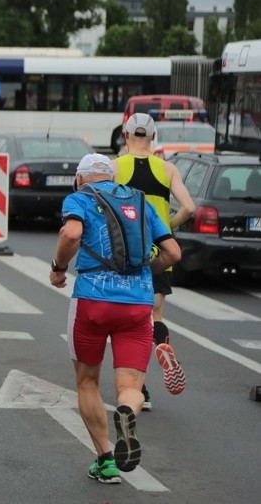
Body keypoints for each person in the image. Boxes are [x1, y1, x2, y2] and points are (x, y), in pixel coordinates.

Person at [49, 153, 181, 484]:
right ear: (113, 177)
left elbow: (71, 234)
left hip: (93, 302)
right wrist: (144, 276)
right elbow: (173, 254)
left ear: (80, 178)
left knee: (87, 381)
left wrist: (59, 267)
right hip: (137, 306)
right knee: (131, 387)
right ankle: (127, 412)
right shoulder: (140, 202)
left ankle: (105, 461)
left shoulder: (79, 198)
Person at [113, 113, 194, 408]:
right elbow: (189, 206)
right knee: (153, 317)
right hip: (159, 252)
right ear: (153, 138)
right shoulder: (167, 168)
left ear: (125, 136)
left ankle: (139, 391)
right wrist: (167, 226)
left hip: (126, 251)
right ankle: (162, 343)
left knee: (128, 325)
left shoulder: (115, 167)